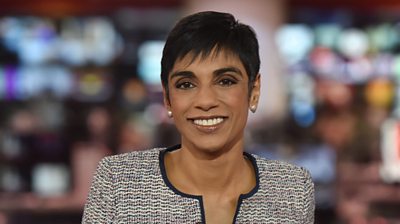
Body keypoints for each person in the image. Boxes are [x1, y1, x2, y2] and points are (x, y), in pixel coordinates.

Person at [82, 11, 315, 223]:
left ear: (253, 91)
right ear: (167, 98)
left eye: (225, 81)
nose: (205, 101)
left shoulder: (292, 190)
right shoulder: (119, 183)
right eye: (186, 84)